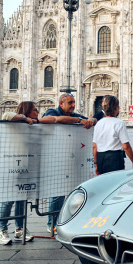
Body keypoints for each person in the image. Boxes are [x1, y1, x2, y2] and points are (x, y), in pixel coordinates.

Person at [40, 93, 98, 232]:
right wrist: (79, 120)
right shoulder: (52, 112)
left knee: (72, 192)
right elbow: (56, 119)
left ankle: (67, 221)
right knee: (57, 193)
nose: (73, 105)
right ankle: (52, 224)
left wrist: (91, 120)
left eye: (74, 102)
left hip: (71, 159)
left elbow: (91, 120)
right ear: (61, 103)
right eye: (70, 103)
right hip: (55, 159)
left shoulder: (75, 115)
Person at [0, 101, 38, 245]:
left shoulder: (34, 124)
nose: (38, 112)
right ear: (27, 112)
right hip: (11, 165)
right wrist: (24, 119)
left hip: (26, 166)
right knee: (8, 199)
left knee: (21, 199)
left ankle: (19, 229)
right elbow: (6, 114)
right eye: (34, 110)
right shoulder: (15, 123)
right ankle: (1, 230)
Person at [93, 95, 133, 175]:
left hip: (101, 158)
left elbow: (94, 146)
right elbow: (126, 146)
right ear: (117, 108)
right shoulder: (119, 123)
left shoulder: (98, 124)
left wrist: (96, 164)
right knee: (115, 184)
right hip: (114, 158)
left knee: (103, 183)